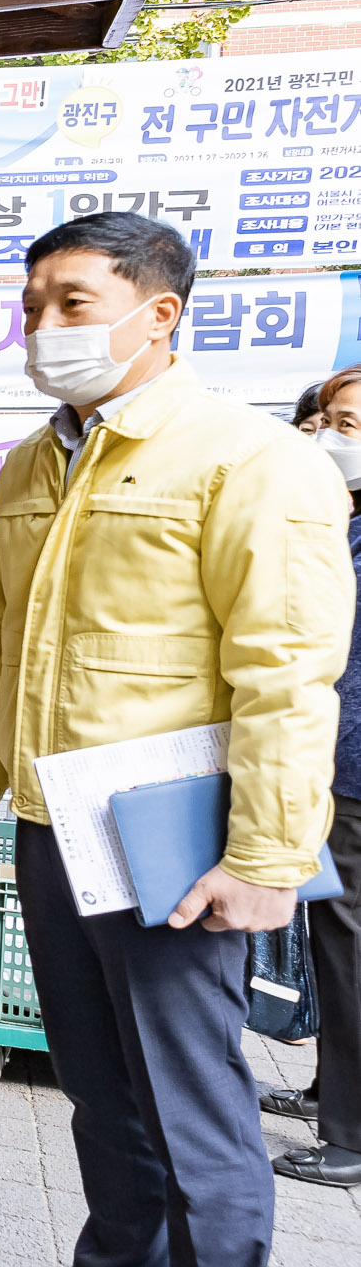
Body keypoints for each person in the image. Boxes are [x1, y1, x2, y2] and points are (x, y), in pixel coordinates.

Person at [0, 211, 351, 1267]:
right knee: (96, 1091)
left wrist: (267, 857)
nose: (44, 328)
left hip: (170, 839)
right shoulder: (31, 459)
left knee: (192, 1110)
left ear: (157, 311)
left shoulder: (248, 457)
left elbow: (285, 668)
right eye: (32, 306)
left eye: (71, 302)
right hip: (47, 820)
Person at [263, 363, 361, 1190]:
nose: (331, 436)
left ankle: (352, 1136)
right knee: (333, 940)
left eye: (351, 424)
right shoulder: (343, 520)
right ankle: (334, 1088)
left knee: (351, 943)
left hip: (354, 765)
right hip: (336, 761)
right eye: (327, 419)